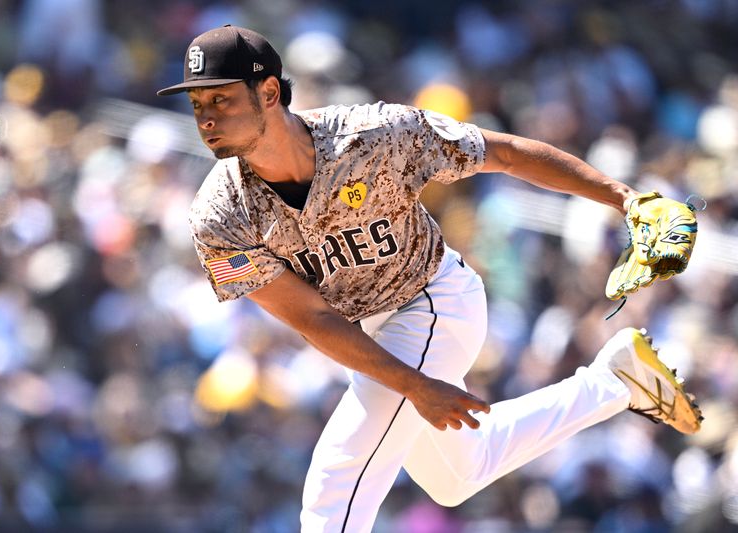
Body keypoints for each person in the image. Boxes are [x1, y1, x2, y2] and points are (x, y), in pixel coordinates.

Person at [157, 25, 701, 533]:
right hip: (367, 333)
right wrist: (414, 386)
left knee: (336, 479)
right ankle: (613, 383)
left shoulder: (373, 137)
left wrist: (626, 199)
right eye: (198, 103)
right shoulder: (219, 214)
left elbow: (504, 155)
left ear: (269, 92)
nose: (205, 116)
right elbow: (312, 318)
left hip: (436, 300)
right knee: (457, 475)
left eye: (221, 98)